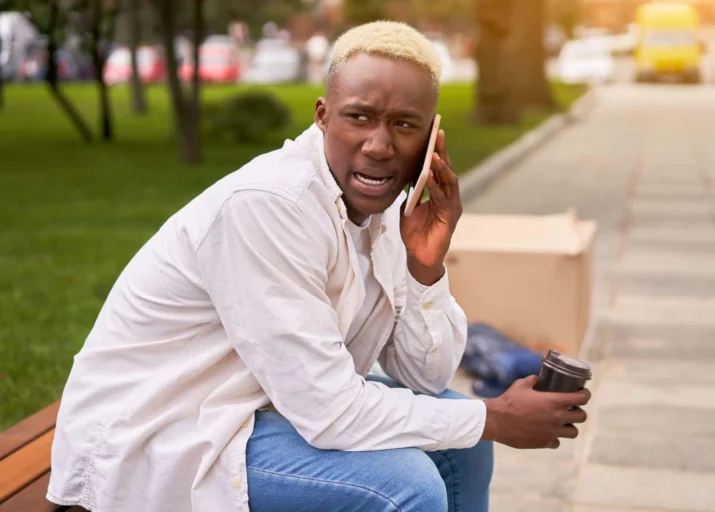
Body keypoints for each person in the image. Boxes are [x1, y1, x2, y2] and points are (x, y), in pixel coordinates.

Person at [47, 21, 591, 512]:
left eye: (405, 124)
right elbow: (331, 413)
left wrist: (426, 266)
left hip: (259, 408)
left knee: (463, 452)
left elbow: (425, 377)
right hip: (165, 430)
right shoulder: (269, 207)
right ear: (323, 115)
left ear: (431, 140)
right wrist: (494, 417)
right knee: (405, 484)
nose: (379, 145)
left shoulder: (381, 215)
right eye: (359, 117)